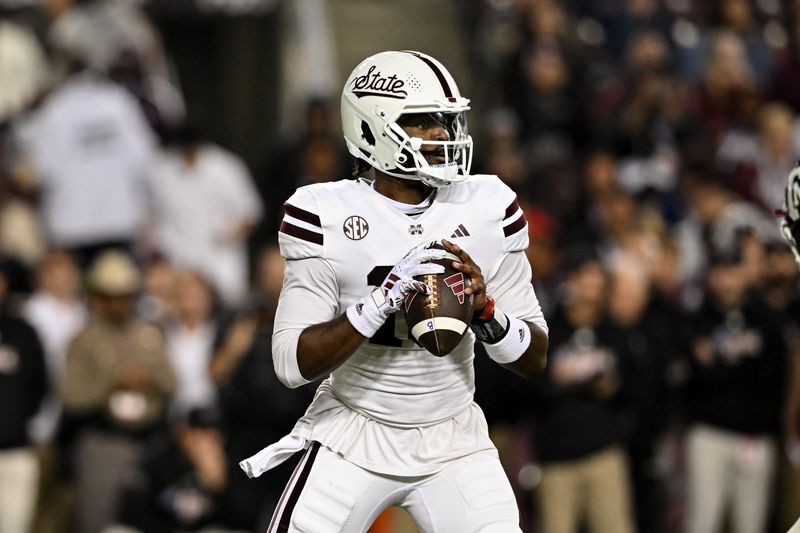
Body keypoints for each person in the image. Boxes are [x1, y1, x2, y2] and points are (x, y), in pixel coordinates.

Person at [240, 51, 549, 532]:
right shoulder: (324, 213)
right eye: (423, 121)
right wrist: (381, 301)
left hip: (455, 439)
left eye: (446, 121)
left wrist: (486, 310)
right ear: (370, 128)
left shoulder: (486, 204)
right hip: (354, 435)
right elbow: (290, 365)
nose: (443, 134)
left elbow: (534, 357)